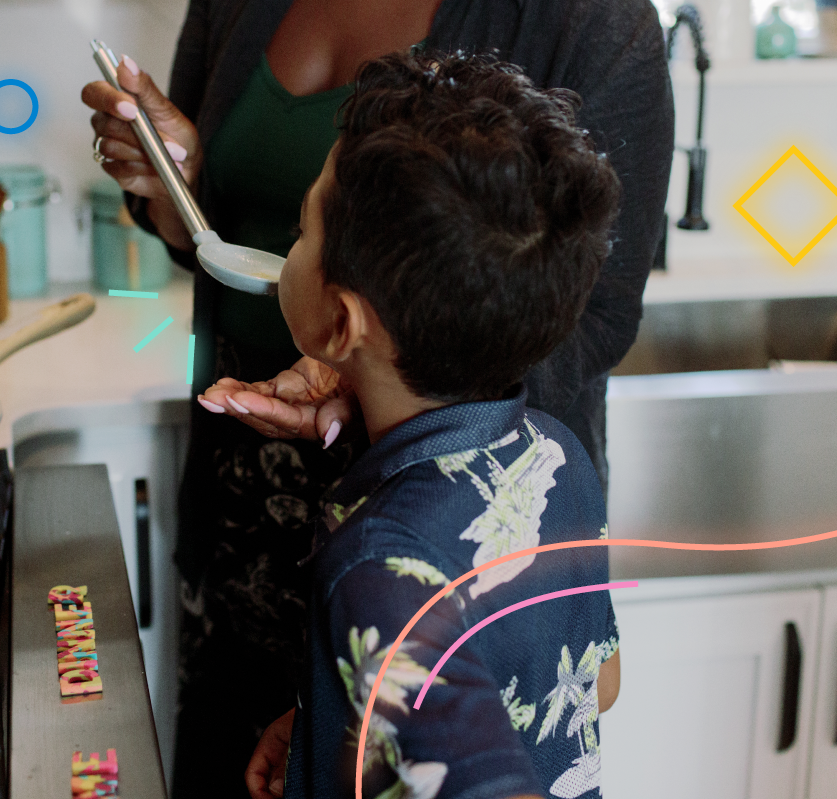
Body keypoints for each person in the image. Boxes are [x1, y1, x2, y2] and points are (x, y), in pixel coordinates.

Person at [81, 0, 671, 791]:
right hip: (249, 532)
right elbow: (217, 242)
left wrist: (358, 384)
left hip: (434, 528)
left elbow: (589, 315)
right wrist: (171, 188)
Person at [244, 51, 623, 799]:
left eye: (300, 232)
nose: (291, 248)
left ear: (341, 323)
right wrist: (342, 717)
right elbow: (595, 684)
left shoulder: (377, 564)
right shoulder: (559, 455)